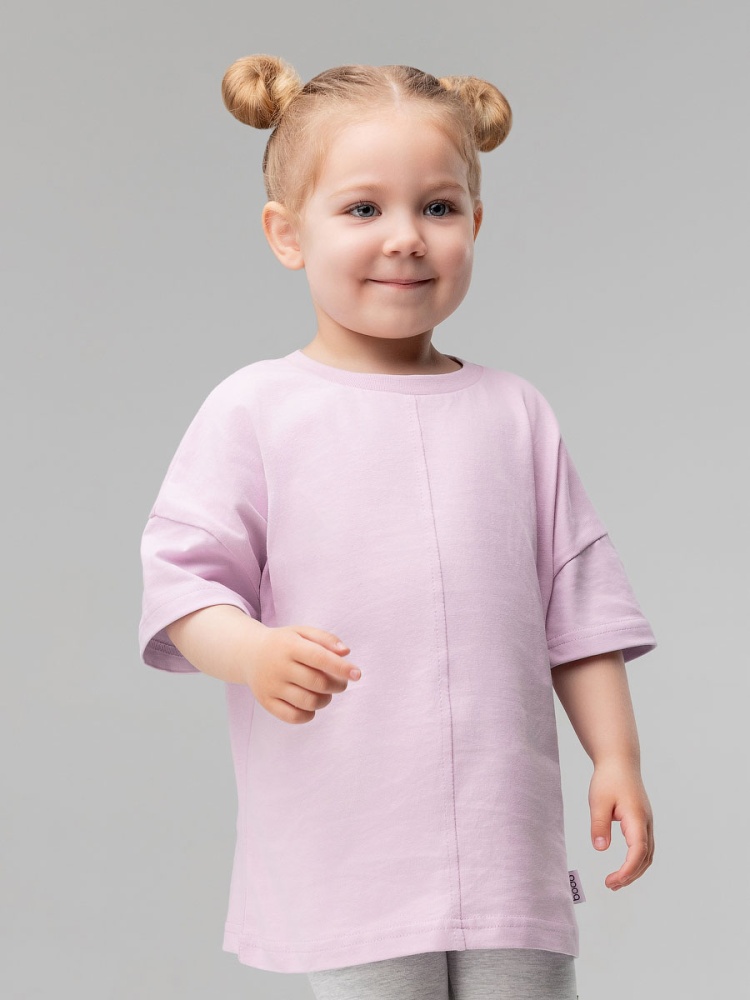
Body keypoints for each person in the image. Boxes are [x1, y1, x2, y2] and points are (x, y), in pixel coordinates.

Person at [138, 54, 657, 1000]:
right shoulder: (257, 409)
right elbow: (185, 583)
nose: (407, 238)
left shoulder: (515, 413)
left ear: (476, 224)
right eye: (364, 208)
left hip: (504, 835)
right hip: (348, 836)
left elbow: (577, 607)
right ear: (287, 233)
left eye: (439, 207)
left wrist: (616, 757)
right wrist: (252, 651)